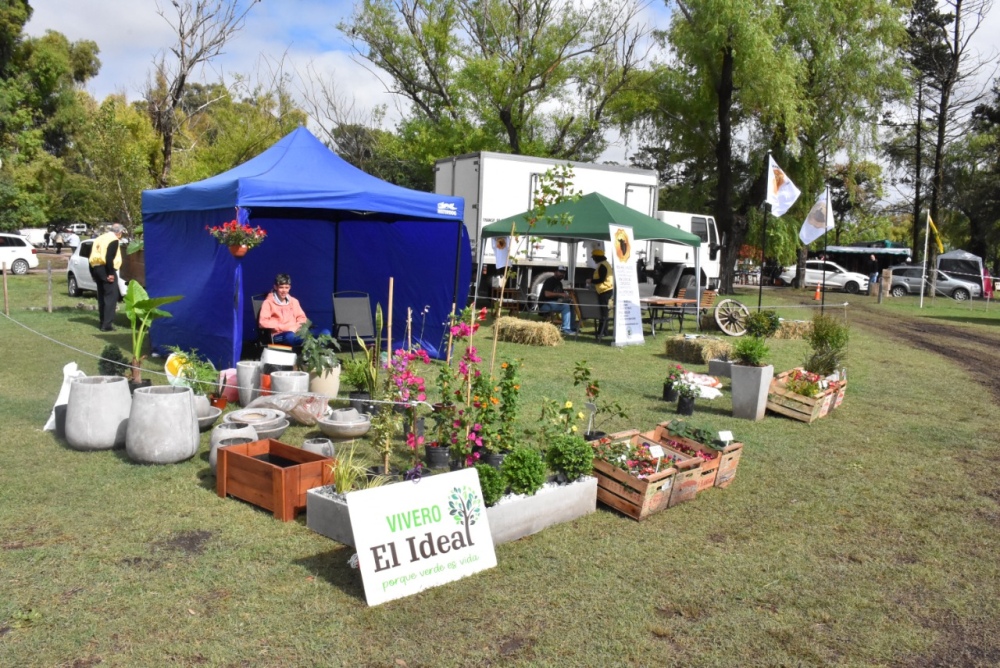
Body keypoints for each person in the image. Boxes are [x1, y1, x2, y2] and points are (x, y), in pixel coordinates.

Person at [258, 273, 330, 346]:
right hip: (279, 335)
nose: (284, 290)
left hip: (297, 332)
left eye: (287, 287)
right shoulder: (268, 303)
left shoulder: (294, 301)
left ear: (290, 287)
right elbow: (263, 322)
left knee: (325, 332)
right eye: (281, 287)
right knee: (290, 336)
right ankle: (306, 345)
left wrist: (296, 327)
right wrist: (284, 327)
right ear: (275, 287)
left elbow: (302, 318)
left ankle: (318, 353)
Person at [89, 223, 125, 331]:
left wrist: (92, 273)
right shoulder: (113, 239)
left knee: (102, 297)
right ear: (119, 232)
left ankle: (102, 322)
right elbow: (109, 257)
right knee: (110, 297)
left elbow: (91, 256)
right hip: (106, 268)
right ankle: (107, 325)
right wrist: (110, 274)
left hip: (96, 268)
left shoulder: (99, 238)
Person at [539, 266, 576, 334]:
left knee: (571, 305)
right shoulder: (550, 281)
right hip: (545, 304)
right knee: (565, 306)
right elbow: (547, 294)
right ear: (555, 272)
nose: (562, 274)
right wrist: (560, 294)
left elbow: (560, 296)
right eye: (560, 272)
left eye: (564, 273)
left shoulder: (559, 283)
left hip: (553, 303)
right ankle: (565, 329)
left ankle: (572, 327)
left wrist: (566, 298)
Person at [588, 248, 614, 340]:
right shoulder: (604, 264)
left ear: (597, 257)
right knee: (603, 312)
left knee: (604, 312)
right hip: (605, 290)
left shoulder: (603, 266)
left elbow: (601, 279)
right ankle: (601, 331)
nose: (593, 259)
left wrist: (591, 281)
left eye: (594, 257)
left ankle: (603, 331)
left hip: (605, 291)